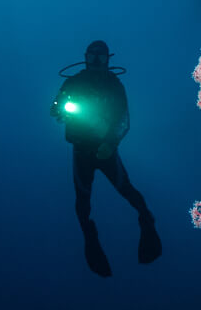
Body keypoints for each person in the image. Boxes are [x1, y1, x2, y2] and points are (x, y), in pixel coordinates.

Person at [50, 40, 162, 276]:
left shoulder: (115, 86)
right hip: (81, 151)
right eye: (93, 57)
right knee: (82, 202)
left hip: (107, 151)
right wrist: (59, 108)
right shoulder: (73, 83)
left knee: (127, 189)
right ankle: (90, 239)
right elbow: (56, 107)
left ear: (109, 60)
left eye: (102, 57)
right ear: (86, 58)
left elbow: (124, 120)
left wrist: (110, 144)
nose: (97, 62)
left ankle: (147, 223)